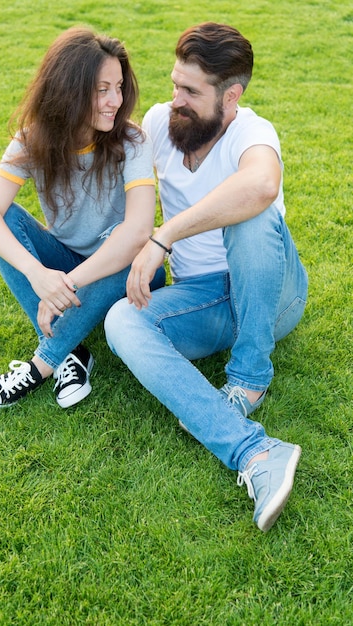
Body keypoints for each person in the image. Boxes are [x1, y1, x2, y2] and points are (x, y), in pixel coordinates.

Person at [105, 22, 308, 532]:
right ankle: (256, 452)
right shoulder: (157, 122)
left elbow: (261, 184)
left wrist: (165, 234)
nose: (176, 100)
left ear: (231, 97)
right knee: (122, 321)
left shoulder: (251, 131)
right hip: (206, 301)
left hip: (269, 292)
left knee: (254, 212)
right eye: (175, 84)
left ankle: (249, 378)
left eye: (191, 92)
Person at [0, 27, 164, 410]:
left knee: (125, 240)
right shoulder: (33, 140)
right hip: (66, 259)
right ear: (69, 90)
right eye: (102, 89)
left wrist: (67, 283)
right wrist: (37, 273)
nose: (115, 100)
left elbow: (140, 231)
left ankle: (43, 363)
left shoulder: (132, 141)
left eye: (119, 87)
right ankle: (73, 352)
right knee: (5, 218)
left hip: (131, 274)